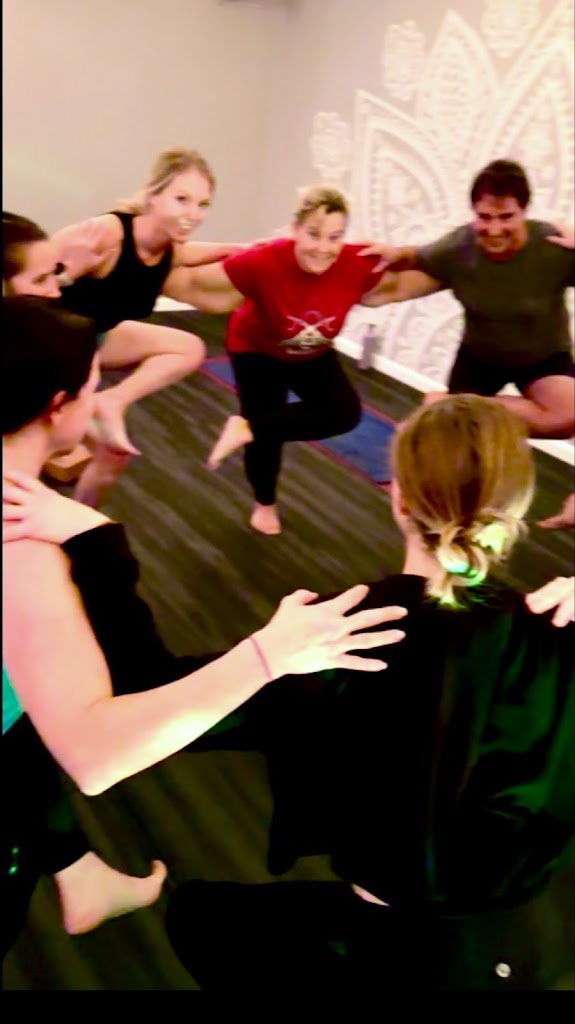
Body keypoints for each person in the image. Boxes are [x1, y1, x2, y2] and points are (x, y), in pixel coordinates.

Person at [1, 294, 407, 956]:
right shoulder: (21, 547)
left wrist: (93, 511)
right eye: (93, 386)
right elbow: (95, 753)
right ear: (57, 405)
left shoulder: (23, 506)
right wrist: (269, 655)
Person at [162, 395, 573, 992]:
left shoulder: (343, 638)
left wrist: (93, 551)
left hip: (399, 957)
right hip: (537, 941)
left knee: (194, 915)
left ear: (399, 499)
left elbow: (161, 699)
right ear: (516, 507)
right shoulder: (558, 631)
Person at [4, 148, 244, 506]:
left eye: (202, 204)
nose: (193, 214)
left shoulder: (167, 250)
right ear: (152, 195)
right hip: (51, 348)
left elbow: (195, 254)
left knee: (187, 349)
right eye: (181, 199)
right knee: (80, 448)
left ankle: (83, 520)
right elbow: (25, 290)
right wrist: (68, 274)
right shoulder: (105, 234)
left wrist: (245, 249)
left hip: (95, 338)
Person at [163, 185, 389, 535]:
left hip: (312, 350)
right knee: (267, 431)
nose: (324, 247)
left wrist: (402, 253)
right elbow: (193, 283)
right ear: (295, 229)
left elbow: (419, 273)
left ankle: (246, 427)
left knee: (343, 413)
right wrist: (143, 261)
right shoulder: (264, 261)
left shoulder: (356, 261)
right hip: (256, 350)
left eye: (335, 237)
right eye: (313, 234)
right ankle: (264, 502)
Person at [360, 160, 575, 440]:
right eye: (485, 217)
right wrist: (395, 253)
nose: (494, 230)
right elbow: (417, 257)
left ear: (524, 211)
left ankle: (455, 407)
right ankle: (453, 413)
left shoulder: (552, 247)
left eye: (506, 217)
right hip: (479, 357)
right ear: (474, 212)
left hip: (543, 357)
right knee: (453, 441)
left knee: (566, 418)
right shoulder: (459, 247)